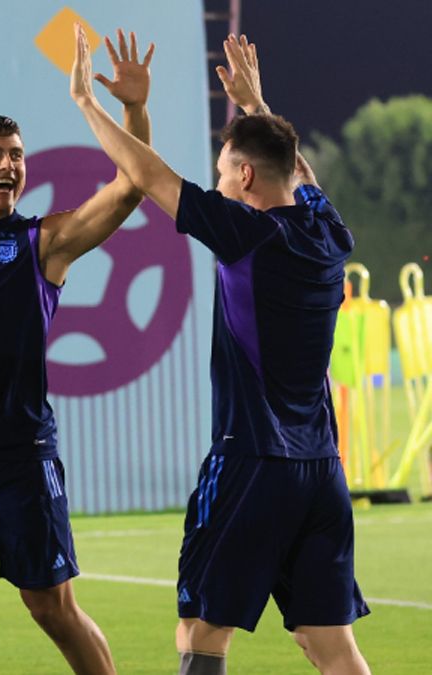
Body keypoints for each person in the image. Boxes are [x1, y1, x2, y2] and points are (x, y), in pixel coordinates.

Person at [71, 28, 371, 675]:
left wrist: (87, 104)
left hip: (251, 462)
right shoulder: (326, 233)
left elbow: (148, 175)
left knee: (200, 628)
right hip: (321, 468)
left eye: (221, 175)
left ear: (241, 176)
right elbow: (298, 173)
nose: (217, 183)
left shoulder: (246, 234)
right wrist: (257, 103)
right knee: (331, 642)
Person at [0, 29, 154, 675]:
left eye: (17, 155)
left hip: (19, 458)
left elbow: (131, 188)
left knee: (51, 607)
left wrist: (132, 108)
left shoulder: (42, 242)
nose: (9, 165)